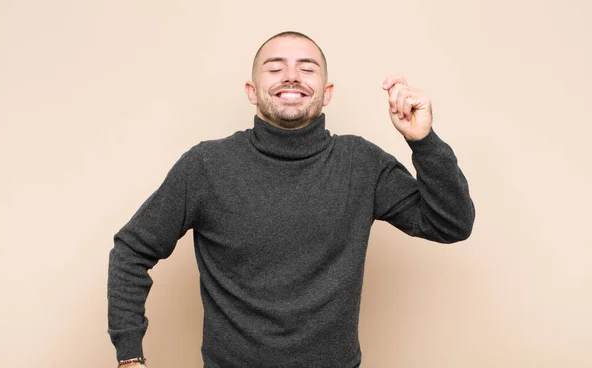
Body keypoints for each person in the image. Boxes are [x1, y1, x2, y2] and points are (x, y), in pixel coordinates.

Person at [107, 31, 476, 367]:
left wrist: (423, 141)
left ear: (327, 92)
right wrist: (129, 356)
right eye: (275, 67)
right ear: (251, 90)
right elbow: (131, 251)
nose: (291, 76)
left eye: (307, 68)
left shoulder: (360, 164)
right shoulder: (206, 166)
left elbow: (451, 224)